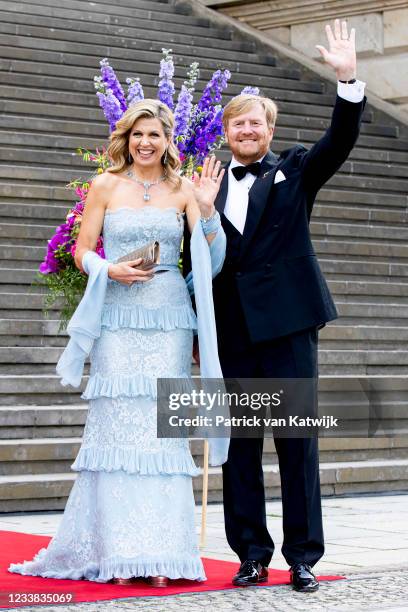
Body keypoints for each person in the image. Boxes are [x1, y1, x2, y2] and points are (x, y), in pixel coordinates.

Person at [8, 99, 226, 586]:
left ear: (169, 140)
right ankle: (121, 554)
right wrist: (108, 269)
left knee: (160, 431)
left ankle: (164, 555)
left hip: (169, 317)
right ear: (126, 138)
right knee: (118, 426)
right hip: (118, 316)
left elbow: (210, 263)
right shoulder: (105, 184)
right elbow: (81, 248)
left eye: (154, 134)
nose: (145, 143)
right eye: (137, 134)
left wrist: (208, 214)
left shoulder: (185, 189)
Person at [184, 19, 366, 592]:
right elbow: (194, 257)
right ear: (226, 129)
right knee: (240, 448)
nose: (245, 129)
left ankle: (303, 556)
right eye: (237, 122)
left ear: (269, 130)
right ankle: (251, 554)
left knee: (296, 443)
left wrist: (348, 79)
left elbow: (339, 140)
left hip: (287, 325)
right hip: (231, 329)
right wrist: (202, 213)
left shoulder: (294, 168)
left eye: (254, 122)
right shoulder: (205, 180)